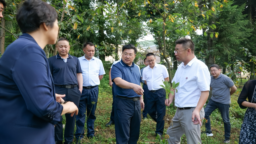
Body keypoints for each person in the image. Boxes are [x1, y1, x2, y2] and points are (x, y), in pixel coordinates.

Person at [0, 0, 78, 144]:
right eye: (56, 22)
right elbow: (45, 108)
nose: (58, 27)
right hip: (25, 136)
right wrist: (67, 107)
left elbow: (18, 90)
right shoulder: (29, 50)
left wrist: (47, 94)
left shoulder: (22, 47)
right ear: (45, 25)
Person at [165, 38, 210, 144]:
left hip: (192, 111)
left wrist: (197, 110)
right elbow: (174, 85)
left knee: (193, 141)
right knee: (171, 134)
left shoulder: (200, 67)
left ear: (188, 50)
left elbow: (205, 91)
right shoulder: (181, 67)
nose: (175, 53)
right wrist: (170, 97)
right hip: (179, 111)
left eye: (177, 50)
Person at [48, 38, 83, 144]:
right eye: (61, 46)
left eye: (65, 46)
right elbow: (48, 77)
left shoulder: (75, 60)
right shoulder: (51, 60)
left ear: (69, 47)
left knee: (71, 116)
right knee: (57, 115)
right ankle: (58, 140)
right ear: (57, 47)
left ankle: (68, 140)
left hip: (73, 91)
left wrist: (80, 89)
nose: (63, 48)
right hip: (58, 90)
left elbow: (79, 74)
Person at [111, 44, 144, 144]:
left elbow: (139, 84)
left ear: (134, 56)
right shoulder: (116, 66)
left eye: (130, 54)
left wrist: (141, 99)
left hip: (136, 103)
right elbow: (118, 81)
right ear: (122, 54)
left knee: (135, 132)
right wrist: (133, 86)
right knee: (123, 133)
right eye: (125, 53)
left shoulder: (137, 67)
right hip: (122, 102)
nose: (127, 56)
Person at [75, 42, 105, 142]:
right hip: (81, 90)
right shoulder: (78, 61)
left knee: (91, 112)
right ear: (84, 50)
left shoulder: (98, 61)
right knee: (80, 113)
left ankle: (91, 133)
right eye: (89, 50)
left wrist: (93, 82)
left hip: (93, 90)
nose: (91, 52)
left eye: (93, 51)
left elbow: (101, 75)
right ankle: (79, 134)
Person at [204, 64, 237, 143]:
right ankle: (208, 132)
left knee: (226, 120)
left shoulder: (226, 79)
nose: (213, 72)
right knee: (204, 114)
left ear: (219, 70)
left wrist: (228, 95)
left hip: (224, 102)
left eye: (214, 70)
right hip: (213, 101)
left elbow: (234, 89)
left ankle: (227, 138)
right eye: (211, 70)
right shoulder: (211, 78)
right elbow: (211, 87)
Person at [142, 53, 169, 138]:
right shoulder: (145, 70)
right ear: (146, 61)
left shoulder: (162, 68)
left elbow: (166, 79)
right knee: (149, 110)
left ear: (155, 59)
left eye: (152, 60)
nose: (150, 62)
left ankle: (159, 132)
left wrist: (161, 87)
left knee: (161, 111)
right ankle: (160, 122)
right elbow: (145, 81)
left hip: (160, 92)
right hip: (150, 92)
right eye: (148, 60)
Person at [106, 60, 120, 127]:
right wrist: (110, 80)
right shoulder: (116, 62)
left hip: (126, 86)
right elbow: (111, 71)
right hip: (116, 85)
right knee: (115, 101)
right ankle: (112, 119)